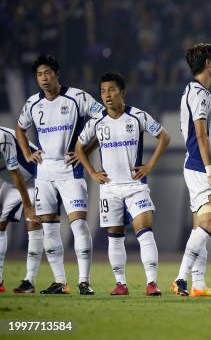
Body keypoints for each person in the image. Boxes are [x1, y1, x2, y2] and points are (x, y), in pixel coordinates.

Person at [75, 72, 170, 296]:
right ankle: (120, 284)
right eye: (103, 91)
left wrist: (149, 166)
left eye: (112, 90)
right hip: (109, 188)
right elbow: (79, 148)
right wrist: (92, 172)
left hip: (135, 186)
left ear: (122, 92)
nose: (107, 95)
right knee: (115, 236)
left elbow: (164, 137)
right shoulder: (97, 122)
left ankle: (152, 283)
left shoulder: (137, 116)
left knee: (145, 231)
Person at [15, 55, 103, 295]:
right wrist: (26, 152)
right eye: (39, 75)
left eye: (47, 73)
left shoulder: (77, 97)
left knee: (79, 225)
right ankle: (60, 282)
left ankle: (84, 281)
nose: (43, 79)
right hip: (44, 172)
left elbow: (103, 119)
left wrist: (84, 151)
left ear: (56, 73)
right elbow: (20, 128)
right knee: (49, 229)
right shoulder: (33, 103)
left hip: (70, 171)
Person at [171, 43, 211, 298]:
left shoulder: (195, 91)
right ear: (207, 64)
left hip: (200, 166)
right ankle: (181, 277)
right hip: (200, 167)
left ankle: (199, 284)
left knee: (199, 226)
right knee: (209, 224)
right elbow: (201, 135)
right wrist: (210, 171)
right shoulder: (200, 94)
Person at [0, 126, 42, 293]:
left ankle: (29, 281)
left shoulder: (2, 138)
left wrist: (28, 206)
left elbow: (16, 173)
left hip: (35, 179)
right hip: (11, 182)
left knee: (33, 223)